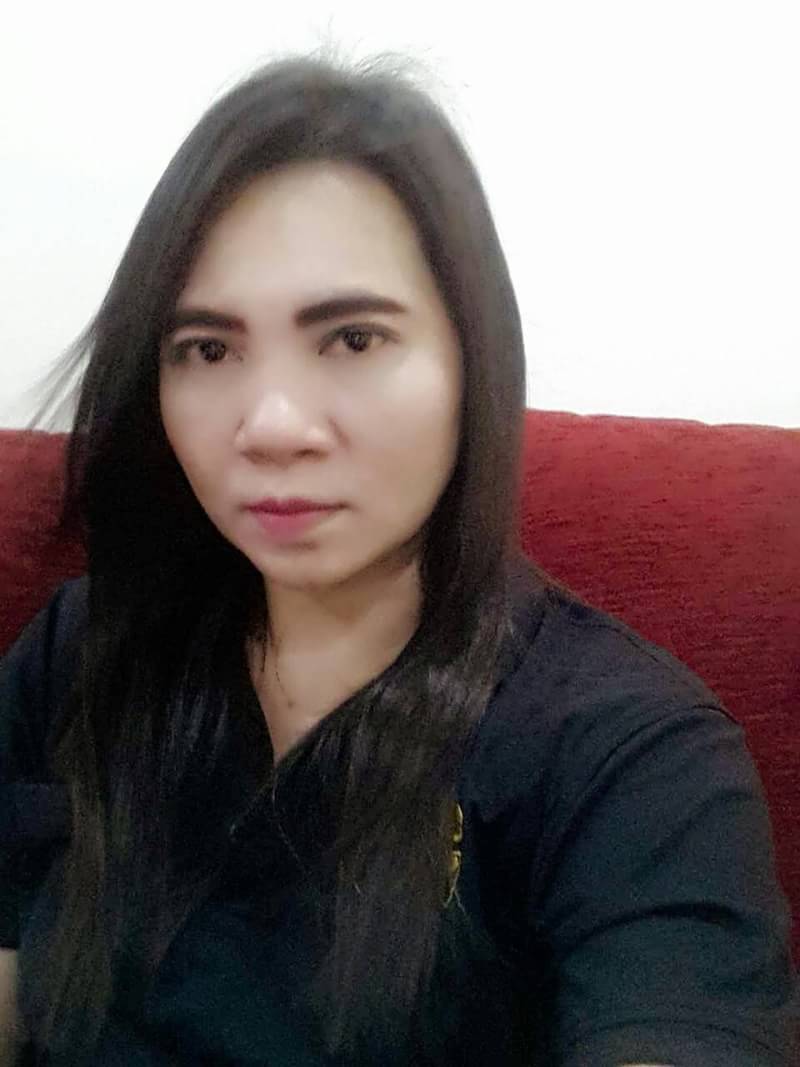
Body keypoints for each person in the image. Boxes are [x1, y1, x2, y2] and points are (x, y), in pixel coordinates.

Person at [0, 52, 797, 1067]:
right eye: (206, 348)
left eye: (352, 339)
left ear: (471, 362)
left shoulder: (630, 759)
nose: (272, 424)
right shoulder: (83, 647)